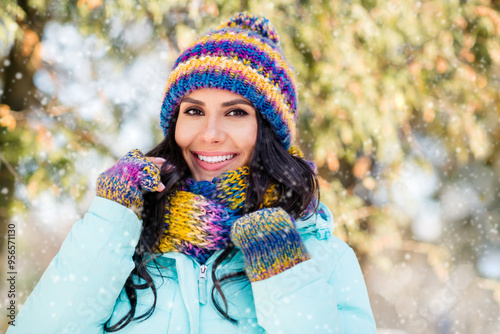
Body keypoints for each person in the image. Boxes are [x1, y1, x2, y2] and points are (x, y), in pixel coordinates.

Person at [8, 12, 376, 333]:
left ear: (268, 131)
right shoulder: (128, 242)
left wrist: (284, 271)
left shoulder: (323, 255)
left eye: (236, 112)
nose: (210, 134)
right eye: (194, 111)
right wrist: (112, 217)